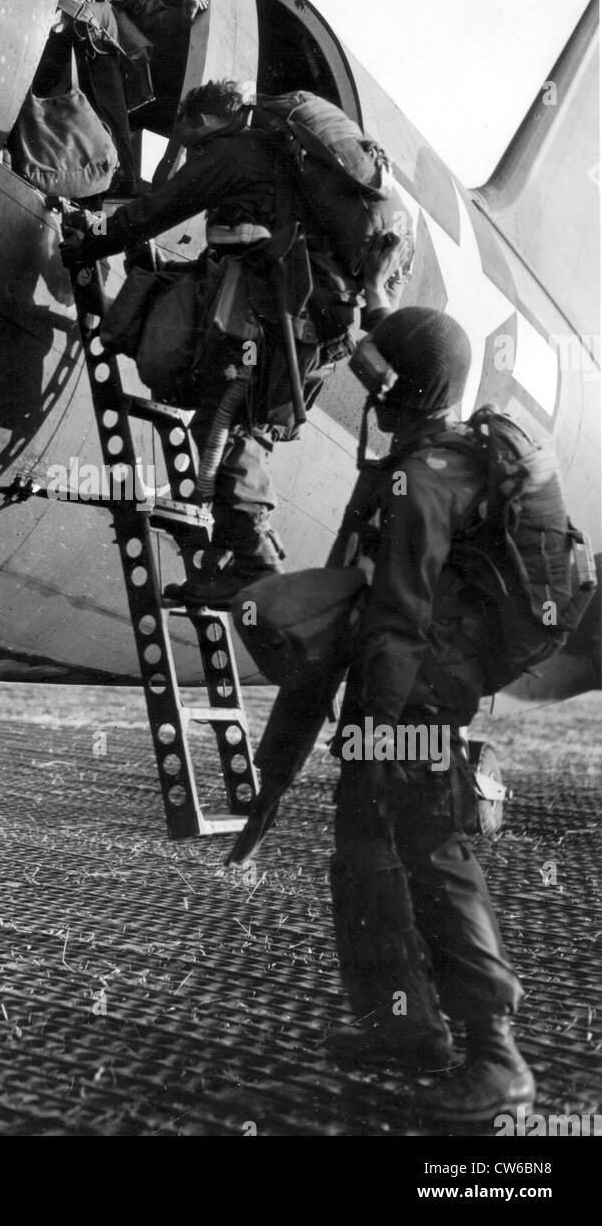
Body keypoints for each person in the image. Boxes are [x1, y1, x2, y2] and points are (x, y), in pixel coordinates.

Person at [62, 77, 410, 606]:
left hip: (283, 321)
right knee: (235, 426)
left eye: (192, 141)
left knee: (231, 430)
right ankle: (228, 558)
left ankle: (255, 562)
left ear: (203, 123)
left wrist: (92, 242)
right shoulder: (281, 155)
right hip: (316, 321)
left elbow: (162, 208)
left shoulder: (237, 150)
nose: (196, 153)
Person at [322, 306, 535, 1123]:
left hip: (411, 696)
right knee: (363, 847)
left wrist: (374, 722)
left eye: (376, 376)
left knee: (432, 854)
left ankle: (496, 1058)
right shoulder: (421, 464)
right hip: (395, 687)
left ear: (401, 387)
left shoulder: (423, 479)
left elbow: (401, 615)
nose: (367, 392)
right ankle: (401, 1025)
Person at [34, 0, 208, 196]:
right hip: (45, 47)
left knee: (113, 146)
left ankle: (102, 211)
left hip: (94, 53)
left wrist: (179, 16)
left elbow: (135, 1)